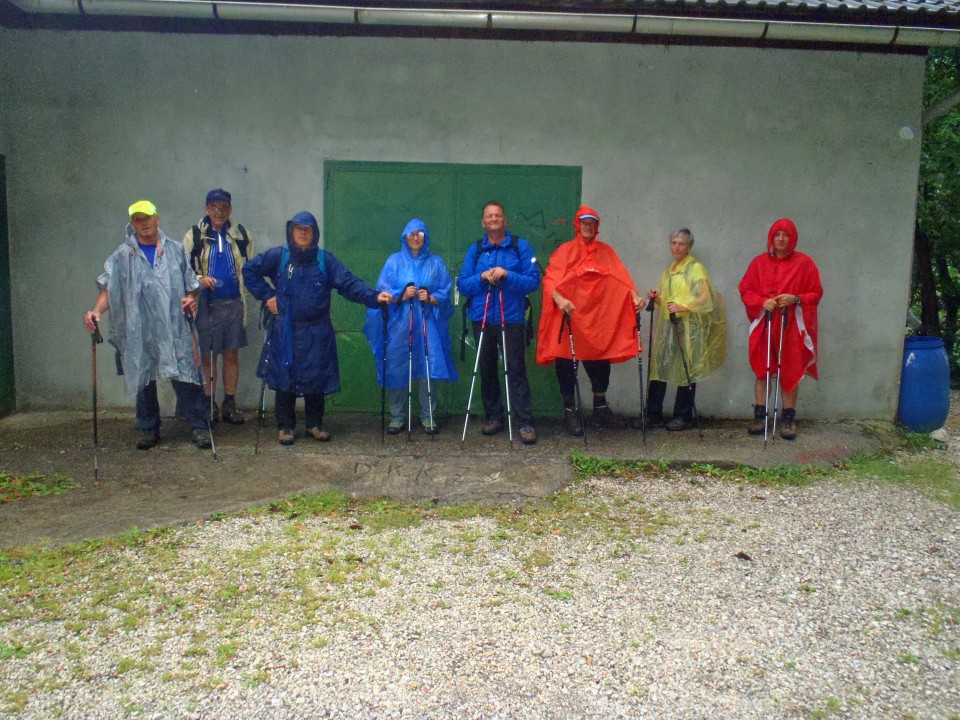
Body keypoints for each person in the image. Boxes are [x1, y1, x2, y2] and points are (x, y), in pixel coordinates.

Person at [242, 211, 392, 445]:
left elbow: (349, 283)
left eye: (308, 229)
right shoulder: (278, 257)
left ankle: (314, 424)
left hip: (317, 331)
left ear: (314, 233)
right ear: (291, 231)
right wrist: (267, 295)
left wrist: (374, 297)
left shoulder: (325, 261)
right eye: (299, 228)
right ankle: (285, 427)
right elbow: (249, 271)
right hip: (286, 330)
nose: (303, 233)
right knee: (285, 378)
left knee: (316, 377)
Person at [82, 200, 211, 450]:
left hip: (174, 327)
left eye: (147, 218)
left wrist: (191, 299)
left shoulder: (174, 250)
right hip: (139, 329)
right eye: (138, 220)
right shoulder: (122, 256)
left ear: (157, 219)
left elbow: (190, 286)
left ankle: (199, 426)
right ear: (132, 224)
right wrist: (96, 312)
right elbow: (109, 289)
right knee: (143, 377)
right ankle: (148, 428)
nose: (144, 224)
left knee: (186, 375)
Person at [537, 205, 645, 436]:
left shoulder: (606, 252)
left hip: (597, 320)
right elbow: (549, 281)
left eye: (592, 223)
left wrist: (635, 297)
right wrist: (560, 299)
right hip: (570, 318)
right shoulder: (564, 251)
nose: (588, 226)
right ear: (577, 224)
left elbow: (621, 280)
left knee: (600, 360)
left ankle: (600, 408)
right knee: (566, 362)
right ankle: (570, 410)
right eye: (584, 222)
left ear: (596, 226)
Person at [363, 219, 459, 435]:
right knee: (397, 367)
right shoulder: (394, 261)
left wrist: (432, 297)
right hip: (400, 324)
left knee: (428, 368)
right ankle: (397, 417)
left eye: (420, 234)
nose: (416, 238)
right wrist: (401, 295)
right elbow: (383, 291)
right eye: (411, 234)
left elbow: (445, 288)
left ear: (426, 237)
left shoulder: (436, 263)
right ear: (405, 237)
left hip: (427, 324)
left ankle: (428, 416)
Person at [456, 201, 540, 445]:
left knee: (515, 369)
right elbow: (463, 284)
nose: (493, 219)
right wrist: (482, 277)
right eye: (489, 216)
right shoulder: (476, 250)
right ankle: (494, 416)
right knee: (487, 369)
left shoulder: (519, 246)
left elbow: (533, 281)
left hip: (511, 318)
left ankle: (525, 421)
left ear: (505, 220)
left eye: (498, 216)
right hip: (481, 318)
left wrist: (507, 275)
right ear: (483, 222)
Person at [738, 217, 823, 440]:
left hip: (791, 325)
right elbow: (746, 289)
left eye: (785, 235)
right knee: (762, 369)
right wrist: (760, 302)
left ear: (792, 238)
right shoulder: (758, 263)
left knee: (790, 369)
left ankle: (787, 419)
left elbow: (816, 293)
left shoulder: (805, 263)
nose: (781, 239)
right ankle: (759, 416)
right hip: (765, 323)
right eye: (777, 235)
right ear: (771, 238)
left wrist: (795, 298)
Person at [182, 188, 252, 425]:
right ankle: (208, 403)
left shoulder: (241, 234)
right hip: (206, 304)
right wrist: (199, 281)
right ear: (206, 208)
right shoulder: (194, 235)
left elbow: (250, 267)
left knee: (232, 354)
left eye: (223, 207)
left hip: (234, 303)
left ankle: (229, 403)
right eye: (214, 207)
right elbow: (182, 270)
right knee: (208, 355)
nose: (219, 212)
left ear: (230, 209)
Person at [644, 228, 726, 431]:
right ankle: (653, 414)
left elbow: (705, 298)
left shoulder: (695, 268)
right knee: (660, 367)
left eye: (681, 244)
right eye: (674, 243)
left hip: (689, 328)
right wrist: (657, 298)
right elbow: (667, 299)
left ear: (689, 247)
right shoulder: (670, 269)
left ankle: (683, 415)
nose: (677, 247)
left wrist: (684, 306)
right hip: (669, 326)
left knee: (686, 368)